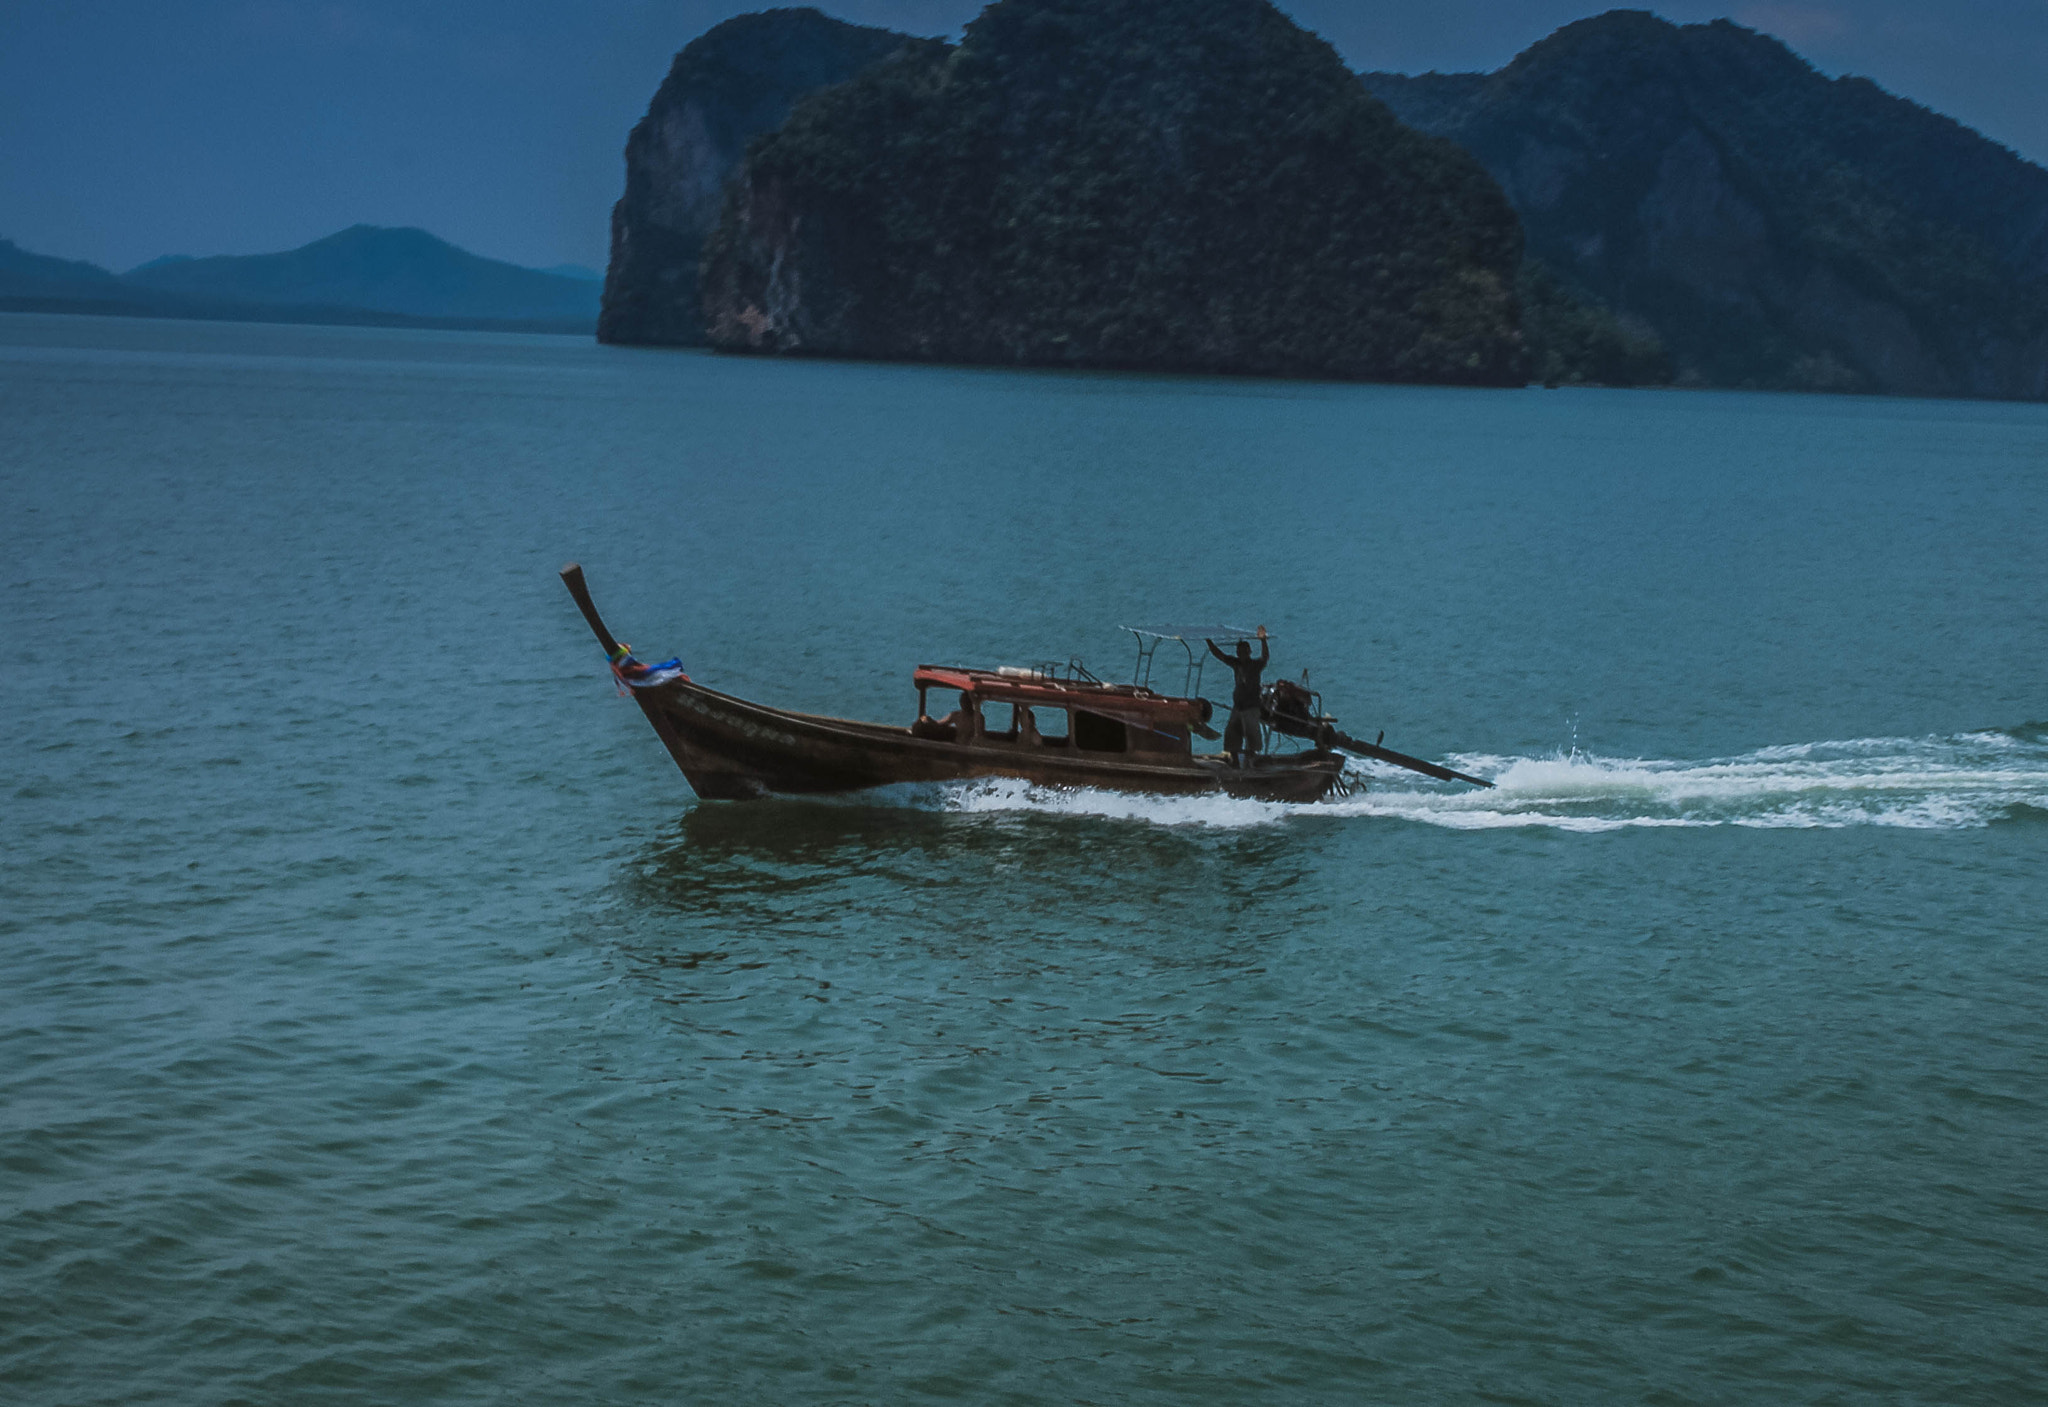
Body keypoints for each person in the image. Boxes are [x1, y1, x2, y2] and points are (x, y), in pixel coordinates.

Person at [1205, 627, 1269, 766]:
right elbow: (1220, 655)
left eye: (1244, 651)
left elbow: (1265, 657)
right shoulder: (1236, 664)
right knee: (1232, 734)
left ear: (1249, 652)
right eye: (1239, 652)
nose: (1241, 654)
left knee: (1252, 737)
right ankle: (1235, 761)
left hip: (1251, 707)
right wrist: (1208, 642)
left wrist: (1263, 641)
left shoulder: (1255, 665)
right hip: (1238, 706)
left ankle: (1250, 762)